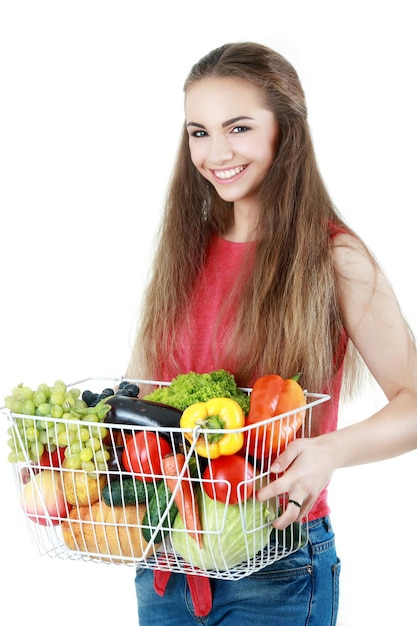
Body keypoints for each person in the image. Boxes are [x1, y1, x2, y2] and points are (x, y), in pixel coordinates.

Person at [125, 41, 417, 625]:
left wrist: (328, 452)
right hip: (167, 565)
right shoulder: (184, 253)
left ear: (287, 131)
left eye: (239, 128)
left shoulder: (334, 257)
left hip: (277, 571)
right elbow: (139, 394)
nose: (216, 152)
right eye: (198, 132)